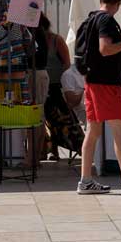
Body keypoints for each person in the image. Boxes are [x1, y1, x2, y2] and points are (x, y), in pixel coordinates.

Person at [75, 0, 121, 194]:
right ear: (118, 3)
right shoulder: (107, 20)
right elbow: (105, 49)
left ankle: (85, 180)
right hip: (106, 84)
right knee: (120, 131)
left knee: (93, 131)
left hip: (91, 81)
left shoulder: (91, 18)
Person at [36, 14, 78, 159]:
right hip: (41, 85)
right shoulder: (34, 41)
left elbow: (66, 63)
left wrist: (65, 85)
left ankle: (57, 148)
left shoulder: (56, 40)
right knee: (43, 119)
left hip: (56, 86)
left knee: (59, 120)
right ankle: (45, 149)